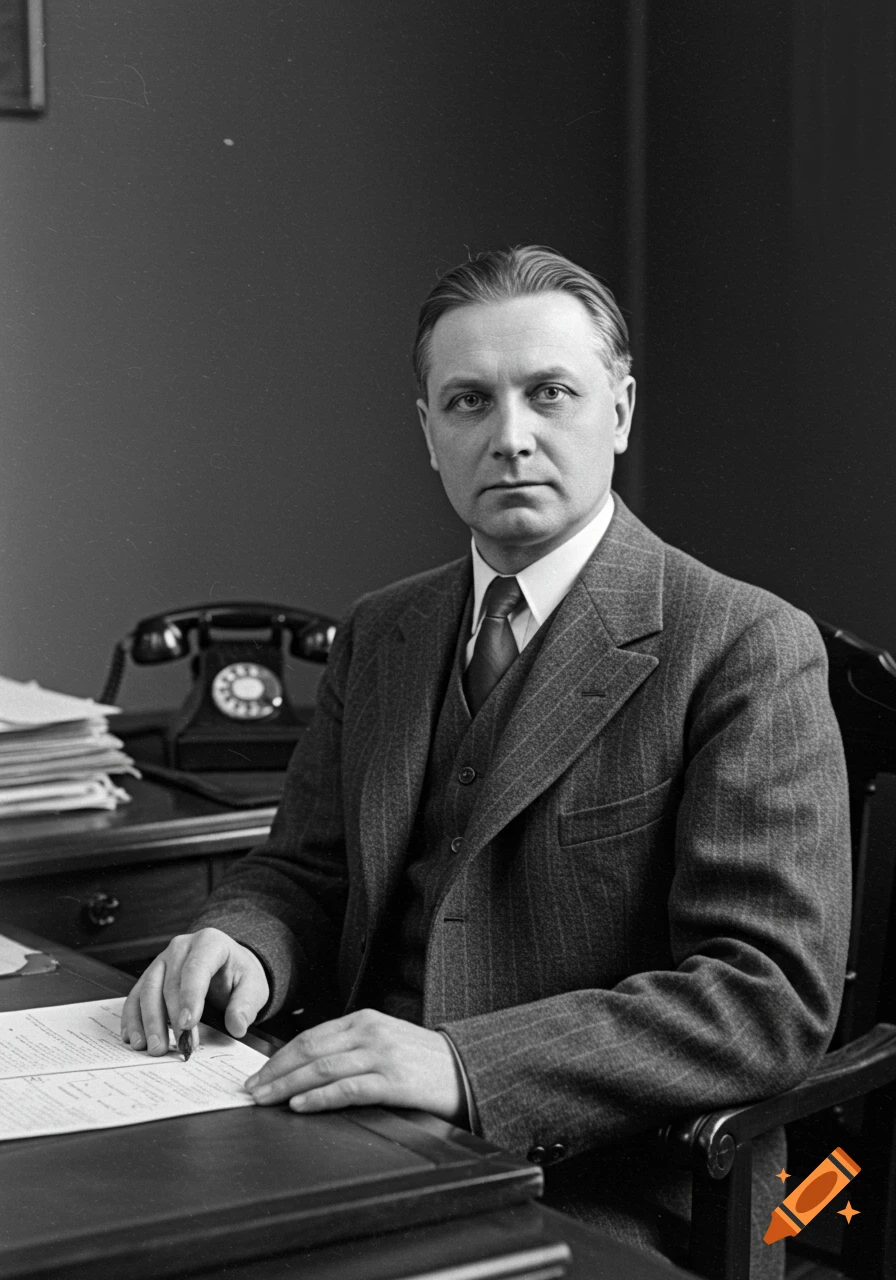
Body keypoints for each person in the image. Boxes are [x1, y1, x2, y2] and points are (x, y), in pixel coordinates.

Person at [122, 246, 851, 1277]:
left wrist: (466, 1063)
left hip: (604, 1182)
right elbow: (302, 872)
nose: (509, 437)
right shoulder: (381, 631)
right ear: (428, 432)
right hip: (347, 1140)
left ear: (621, 411)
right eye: (467, 401)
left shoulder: (741, 645)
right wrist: (242, 938)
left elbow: (762, 994)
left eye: (549, 393)